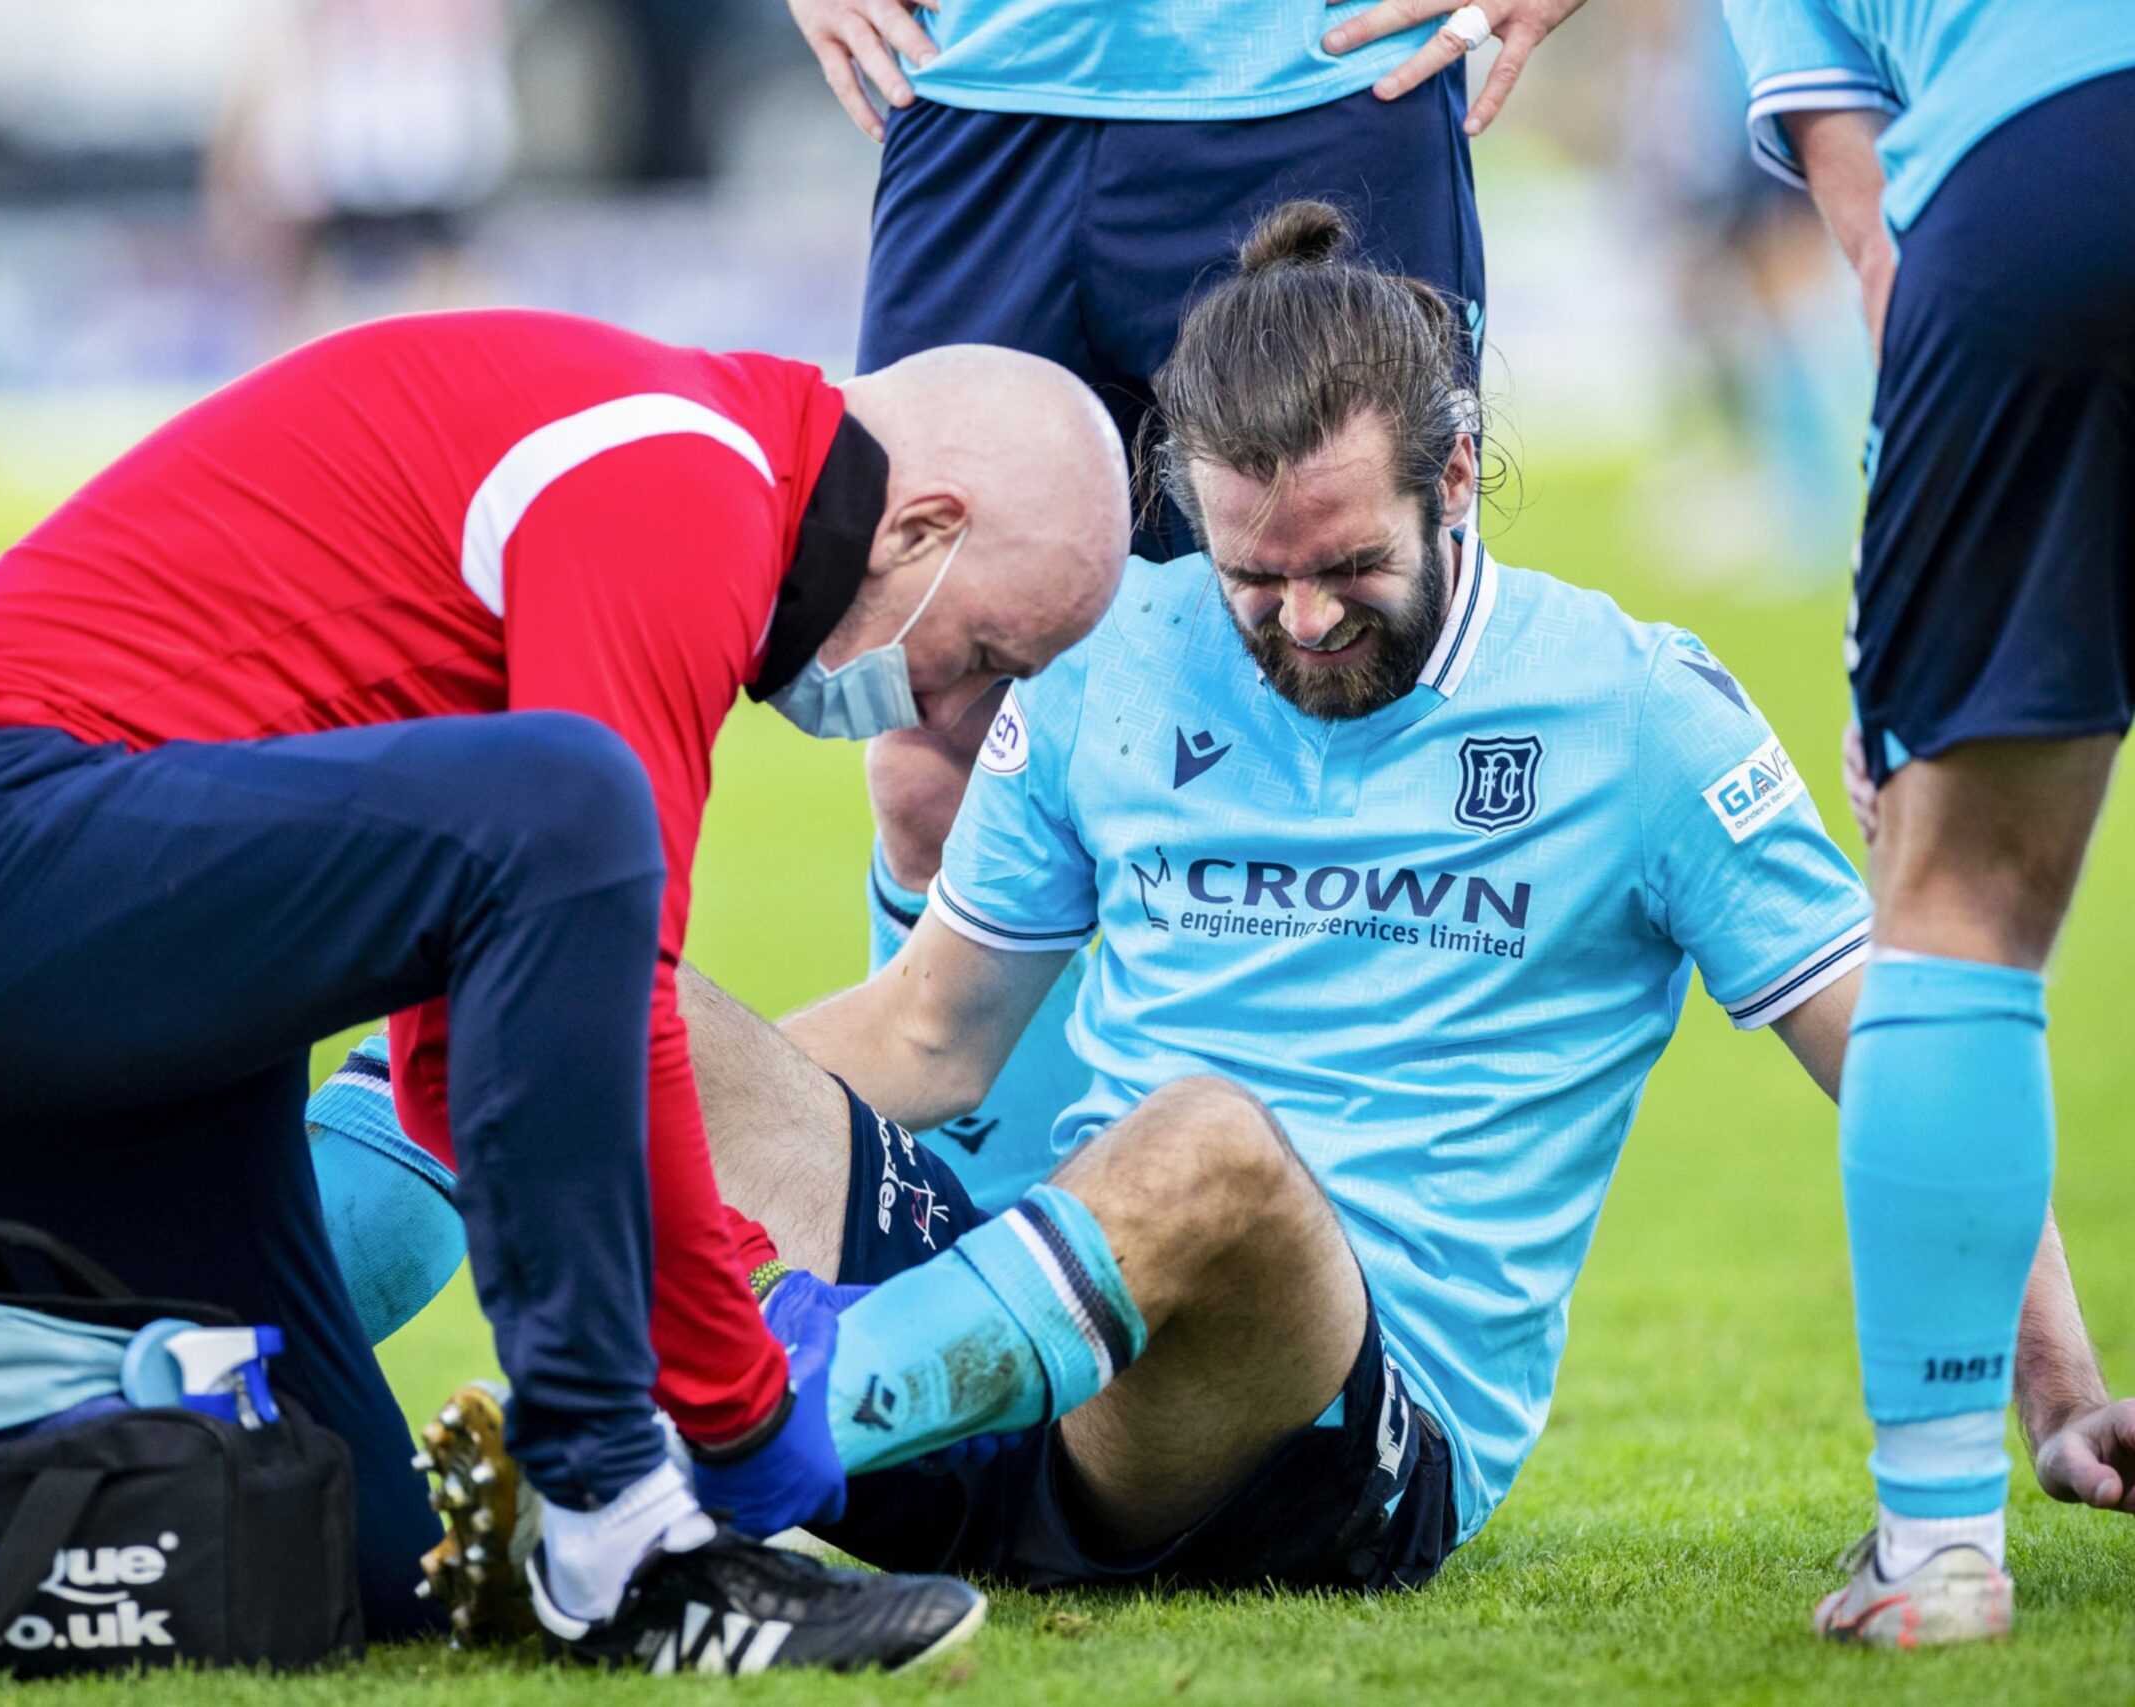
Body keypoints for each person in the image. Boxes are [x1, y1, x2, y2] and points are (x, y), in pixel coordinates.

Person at [426, 201, 2135, 1617]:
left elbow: (1901, 1041)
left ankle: (743, 1437)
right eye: (1256, 575)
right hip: (1016, 1372)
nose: (1304, 621)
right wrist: (592, 1101)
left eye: (1347, 567)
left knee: (1219, 1148)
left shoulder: (1637, 711)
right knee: (607, 988)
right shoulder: (1120, 651)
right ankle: (337, 1392)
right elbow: (929, 1031)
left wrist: (2058, 1383)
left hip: (1324, 1437)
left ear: (1457, 475)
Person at [0, 309, 1129, 1671]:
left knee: (338, 1544)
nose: (960, 711)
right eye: (988, 654)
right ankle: (625, 1535)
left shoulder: (691, 483)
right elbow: (611, 975)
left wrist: (729, 1319)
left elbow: (474, 1058)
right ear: (919, 527)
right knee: (578, 803)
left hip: (88, 981)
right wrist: (723, 1398)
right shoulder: (684, 471)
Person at [779, 0, 1590, 1208]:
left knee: (1342, 665)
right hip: (977, 105)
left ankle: (1338, 1309)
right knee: (927, 755)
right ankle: (979, 1296)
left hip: (1318, 95)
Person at [1720, 0, 2135, 1646]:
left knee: (1955, 892)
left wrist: (1896, 637)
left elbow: (1877, 239)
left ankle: (1943, 1545)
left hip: (2038, 163)